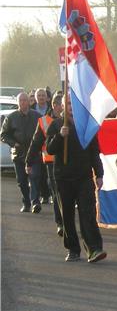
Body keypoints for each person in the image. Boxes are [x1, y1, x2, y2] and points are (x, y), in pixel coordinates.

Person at [45, 95, 106, 263]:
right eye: (69, 103)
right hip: (63, 178)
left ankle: (94, 249)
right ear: (63, 106)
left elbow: (94, 152)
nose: (72, 106)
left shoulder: (86, 125)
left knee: (88, 213)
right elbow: (50, 149)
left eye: (75, 103)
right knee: (67, 215)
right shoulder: (56, 125)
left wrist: (99, 174)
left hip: (84, 176)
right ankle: (72, 249)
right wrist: (59, 136)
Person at [26, 94, 64, 235]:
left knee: (67, 194)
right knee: (56, 193)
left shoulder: (72, 120)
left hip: (69, 163)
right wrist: (29, 161)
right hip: (51, 163)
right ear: (55, 105)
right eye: (62, 104)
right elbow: (36, 143)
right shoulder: (44, 121)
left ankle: (67, 221)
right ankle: (60, 223)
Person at [1, 91, 42, 213]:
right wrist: (14, 143)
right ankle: (26, 203)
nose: (23, 102)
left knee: (35, 177)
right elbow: (3, 134)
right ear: (18, 103)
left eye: (25, 100)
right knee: (22, 181)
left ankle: (35, 202)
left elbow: (44, 132)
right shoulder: (11, 118)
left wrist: (39, 145)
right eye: (21, 100)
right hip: (18, 154)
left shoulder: (37, 116)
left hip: (34, 153)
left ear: (29, 102)